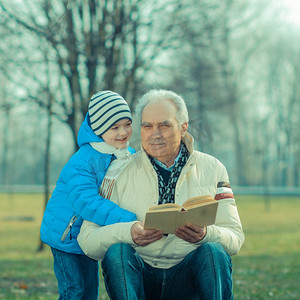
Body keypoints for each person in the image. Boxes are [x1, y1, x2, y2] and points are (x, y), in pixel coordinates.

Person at [78, 89, 245, 300]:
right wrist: (129, 232)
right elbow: (87, 239)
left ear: (183, 127)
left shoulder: (214, 168)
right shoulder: (116, 171)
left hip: (188, 279)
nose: (154, 133)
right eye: (147, 126)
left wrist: (206, 234)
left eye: (164, 125)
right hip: (139, 276)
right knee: (117, 253)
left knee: (214, 252)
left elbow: (235, 238)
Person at [40, 90, 137, 300]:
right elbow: (86, 202)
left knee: (90, 292)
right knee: (74, 291)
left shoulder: (126, 154)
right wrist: (130, 219)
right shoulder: (83, 161)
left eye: (127, 124)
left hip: (89, 235)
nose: (123, 132)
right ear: (99, 129)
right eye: (115, 127)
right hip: (67, 235)